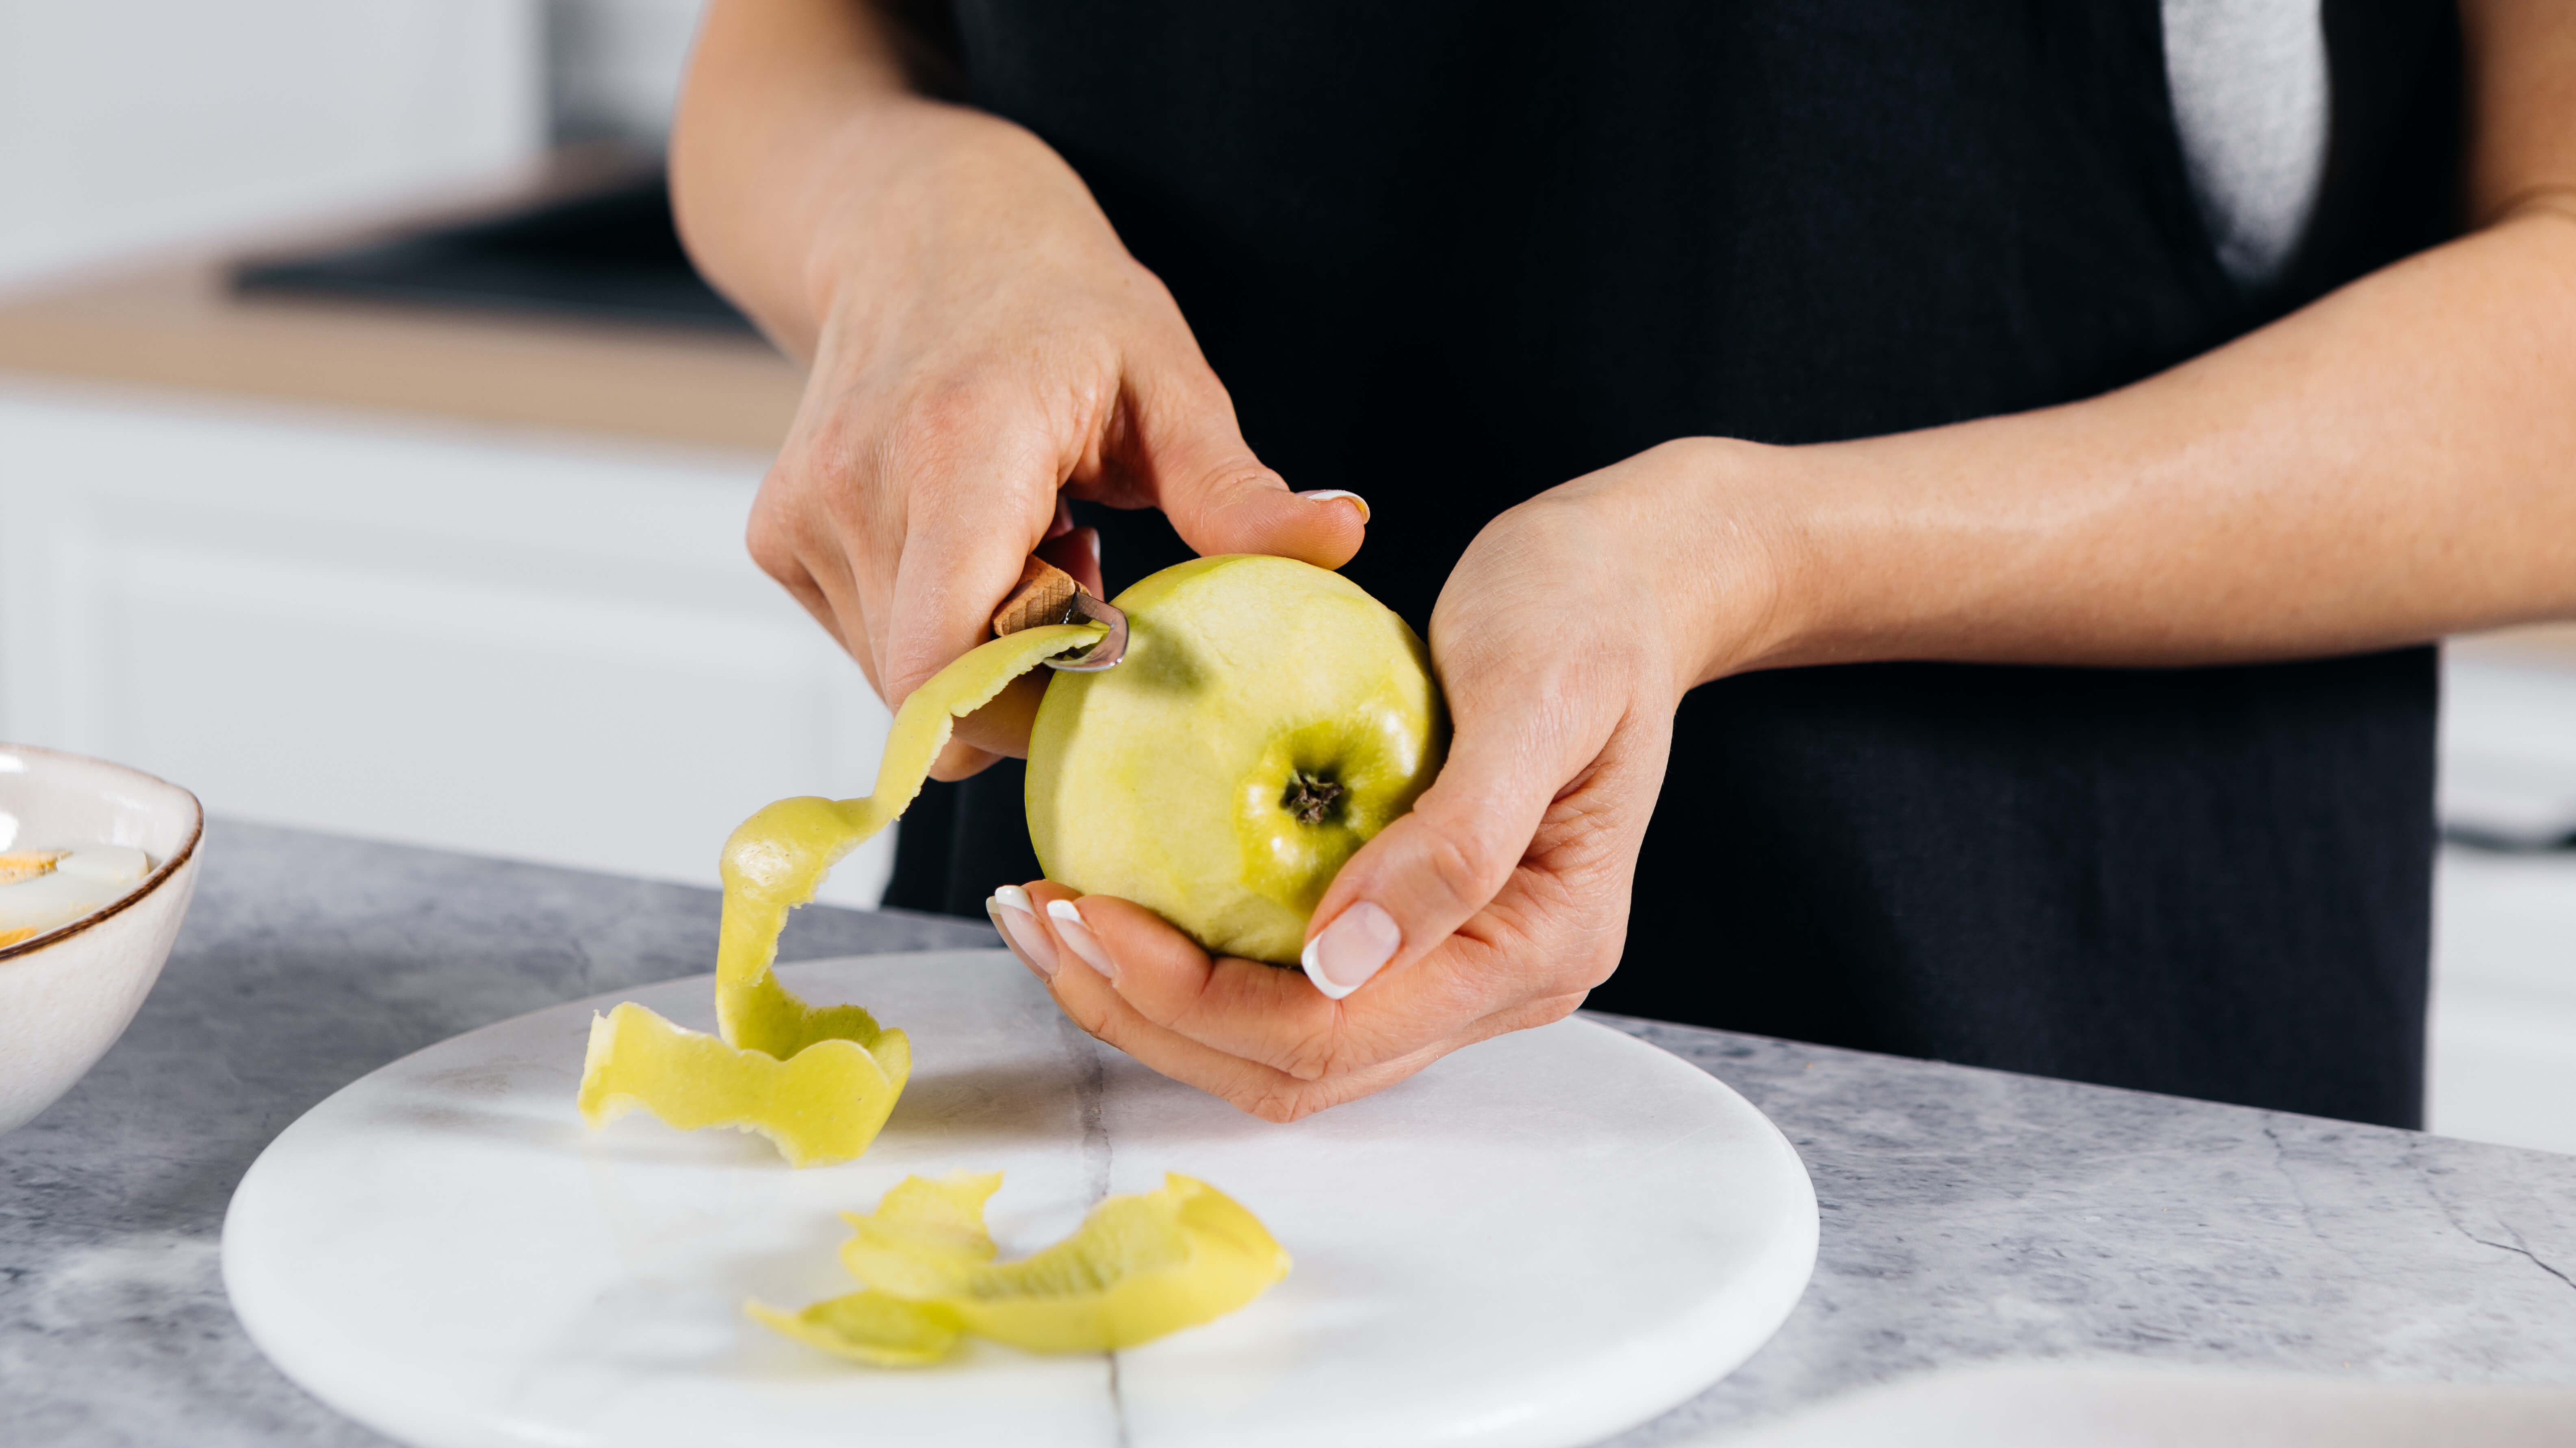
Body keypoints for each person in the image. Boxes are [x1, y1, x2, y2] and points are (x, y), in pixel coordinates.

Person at [670, 0, 2576, 1129]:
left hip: (2057, 1104)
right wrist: (913, 215)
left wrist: (1743, 555)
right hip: (1087, 1076)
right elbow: (786, 56)